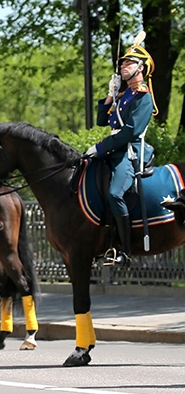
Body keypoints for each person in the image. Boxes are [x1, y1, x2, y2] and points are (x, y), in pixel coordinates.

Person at [85, 41, 157, 266]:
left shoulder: (143, 97)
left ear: (141, 68)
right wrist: (111, 94)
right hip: (114, 149)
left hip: (130, 151)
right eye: (122, 63)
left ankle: (125, 251)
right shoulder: (125, 95)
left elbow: (130, 132)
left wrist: (101, 147)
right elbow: (101, 121)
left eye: (129, 63)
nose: (123, 66)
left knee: (115, 193)